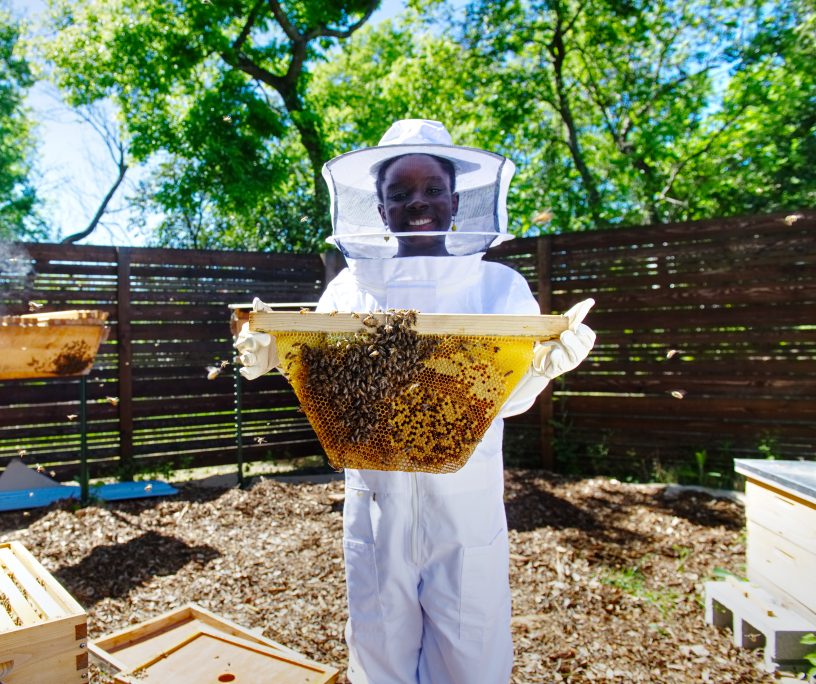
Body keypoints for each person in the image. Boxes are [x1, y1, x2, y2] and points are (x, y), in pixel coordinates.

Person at [235, 119, 595, 684]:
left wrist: (543, 368)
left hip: (466, 504)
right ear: (379, 209)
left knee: (472, 654)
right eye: (399, 193)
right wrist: (278, 355)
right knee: (379, 655)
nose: (418, 203)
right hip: (376, 504)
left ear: (457, 200)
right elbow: (329, 390)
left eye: (432, 189)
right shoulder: (349, 289)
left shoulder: (498, 287)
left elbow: (506, 400)